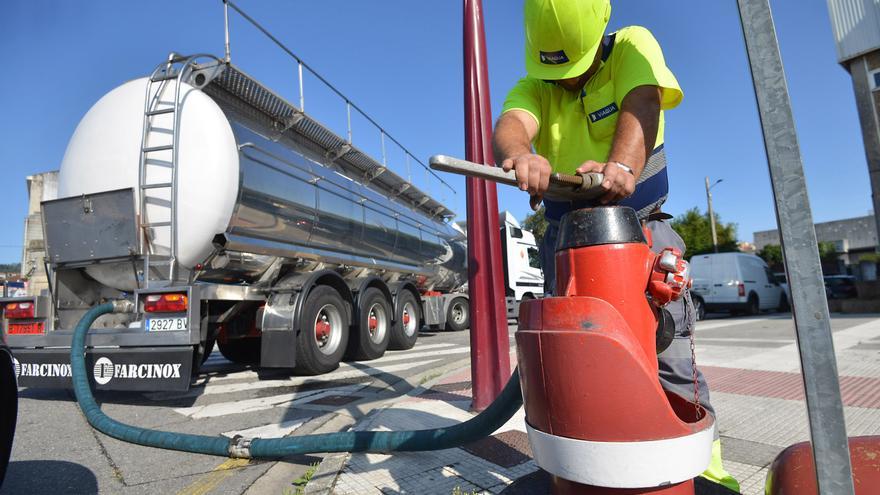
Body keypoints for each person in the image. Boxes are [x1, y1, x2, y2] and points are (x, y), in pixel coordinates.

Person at [492, 0, 739, 491]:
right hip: (566, 247)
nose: (564, 81)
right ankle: (572, 466)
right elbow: (512, 124)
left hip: (642, 230)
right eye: (555, 72)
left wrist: (621, 165)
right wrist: (522, 155)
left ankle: (700, 460)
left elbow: (642, 101)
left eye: (574, 69)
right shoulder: (536, 84)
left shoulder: (632, 46)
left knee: (669, 350)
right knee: (568, 360)